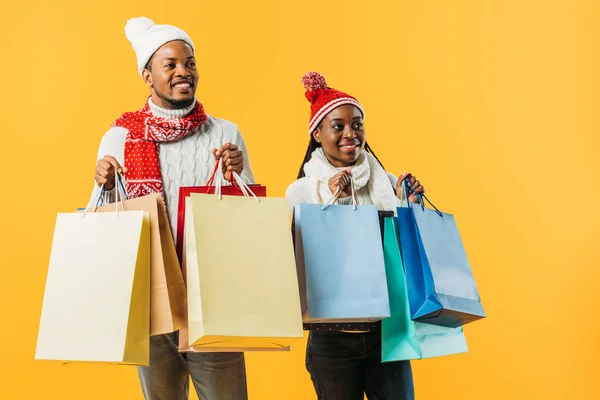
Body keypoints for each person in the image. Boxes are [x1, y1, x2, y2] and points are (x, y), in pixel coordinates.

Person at [90, 17, 252, 400]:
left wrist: (238, 173)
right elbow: (108, 220)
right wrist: (105, 184)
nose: (184, 72)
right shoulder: (121, 136)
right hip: (151, 294)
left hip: (211, 296)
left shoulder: (224, 133)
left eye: (190, 63)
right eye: (171, 64)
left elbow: (248, 215)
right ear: (148, 75)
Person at [286, 72, 425, 400]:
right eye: (338, 126)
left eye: (357, 124)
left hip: (387, 332)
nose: (351, 133)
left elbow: (406, 255)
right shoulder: (302, 190)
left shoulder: (387, 183)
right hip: (330, 337)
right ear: (317, 133)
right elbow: (294, 260)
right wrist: (332, 203)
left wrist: (410, 205)